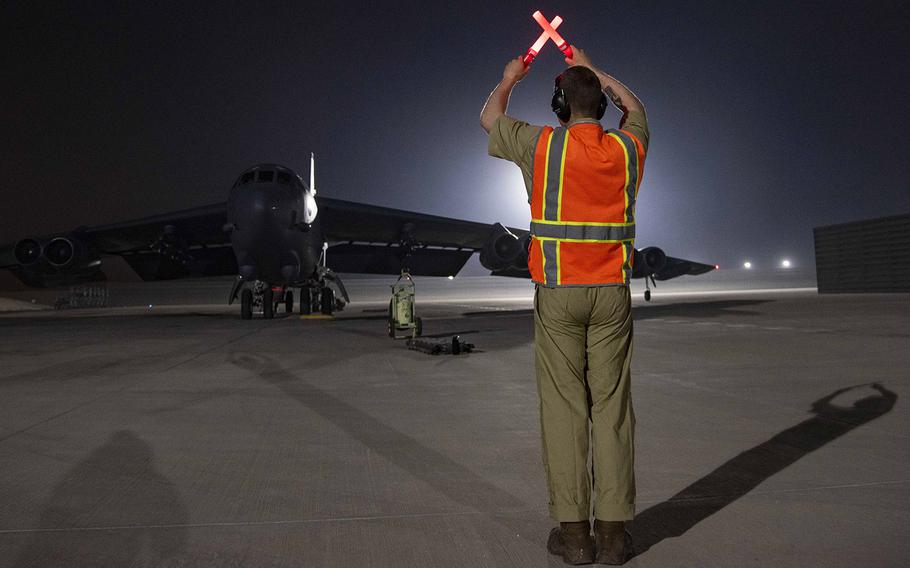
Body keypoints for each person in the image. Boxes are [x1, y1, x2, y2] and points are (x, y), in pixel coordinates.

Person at [480, 47, 648, 565]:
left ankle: (575, 538)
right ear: (603, 104)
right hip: (612, 297)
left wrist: (509, 78)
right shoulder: (626, 150)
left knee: (564, 409)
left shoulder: (541, 145)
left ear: (557, 104)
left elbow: (489, 118)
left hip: (557, 294)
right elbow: (638, 107)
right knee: (612, 408)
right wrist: (596, 68)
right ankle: (616, 537)